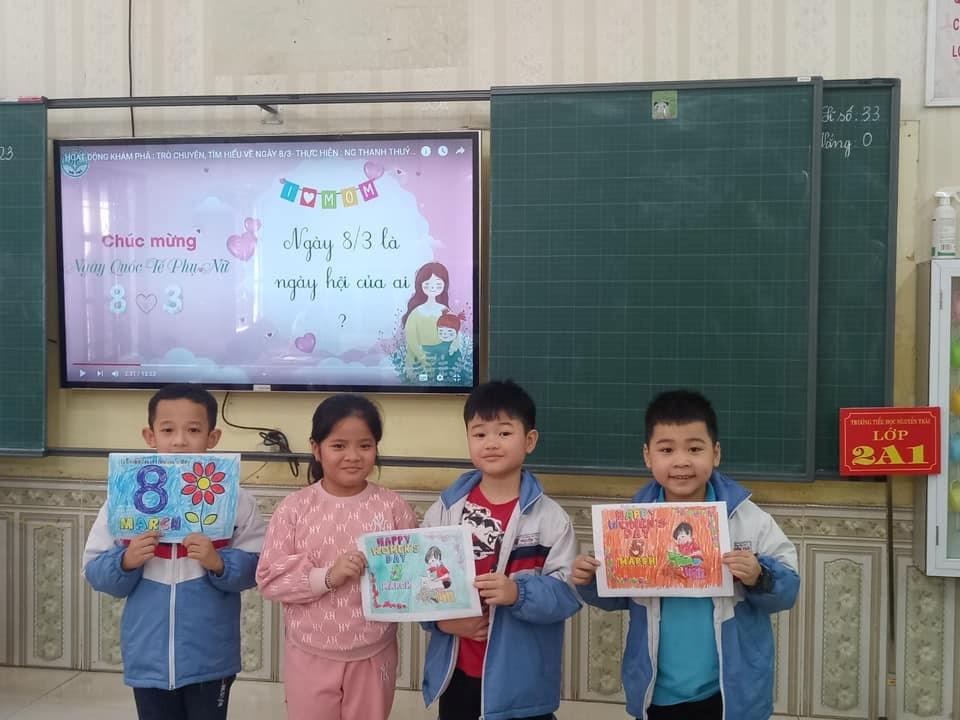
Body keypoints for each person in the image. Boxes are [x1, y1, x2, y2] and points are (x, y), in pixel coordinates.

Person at [571, 389, 800, 720]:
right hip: (657, 692)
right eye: (667, 450)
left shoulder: (747, 518)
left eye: (694, 448)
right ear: (648, 456)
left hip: (730, 693)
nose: (681, 461)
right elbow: (620, 596)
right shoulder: (633, 521)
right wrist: (592, 580)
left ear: (715, 453)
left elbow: (788, 590)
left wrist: (759, 576)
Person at [82, 383, 265, 720]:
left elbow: (257, 569)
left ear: (212, 437)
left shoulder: (237, 501)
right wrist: (126, 561)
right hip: (147, 655)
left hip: (211, 657)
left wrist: (218, 563)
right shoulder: (123, 499)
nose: (180, 440)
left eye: (193, 430)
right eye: (168, 430)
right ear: (150, 436)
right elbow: (94, 570)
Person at [421, 380, 581, 720]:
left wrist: (518, 593)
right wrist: (443, 623)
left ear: (530, 441)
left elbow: (568, 595)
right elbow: (420, 587)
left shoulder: (551, 519)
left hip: (522, 686)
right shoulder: (444, 511)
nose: (491, 443)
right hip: (457, 677)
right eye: (479, 434)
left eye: (504, 433)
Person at [256, 394, 418, 720]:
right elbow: (270, 579)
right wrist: (329, 576)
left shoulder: (393, 507)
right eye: (339, 445)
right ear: (316, 448)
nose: (353, 456)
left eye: (365, 445)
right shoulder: (294, 509)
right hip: (309, 654)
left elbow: (414, 576)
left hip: (374, 653)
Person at [402, 261, 452, 377]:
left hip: (441, 359)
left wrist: (453, 346)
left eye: (438, 284)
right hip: (418, 359)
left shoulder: (445, 310)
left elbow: (454, 333)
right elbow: (411, 339)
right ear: (420, 284)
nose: (433, 287)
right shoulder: (416, 313)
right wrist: (422, 356)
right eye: (428, 284)